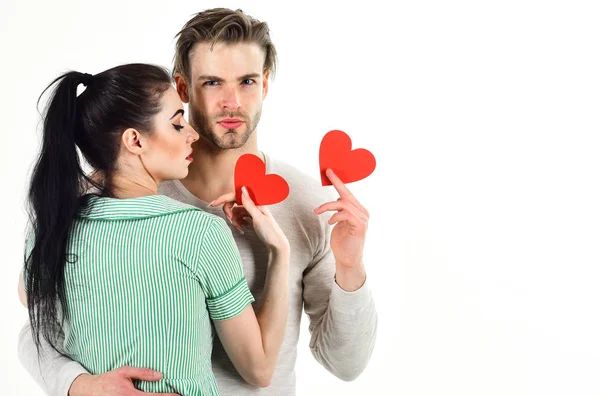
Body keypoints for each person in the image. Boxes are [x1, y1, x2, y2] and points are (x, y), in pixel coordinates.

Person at [18, 8, 378, 396]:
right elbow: (37, 328)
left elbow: (346, 366)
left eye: (247, 81)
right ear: (184, 88)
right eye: (212, 83)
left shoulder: (310, 204)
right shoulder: (103, 196)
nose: (231, 101)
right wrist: (80, 385)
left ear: (266, 85)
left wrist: (350, 266)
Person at [17, 63, 291, 395]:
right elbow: (259, 370)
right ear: (134, 140)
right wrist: (280, 252)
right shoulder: (200, 233)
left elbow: (31, 316)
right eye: (178, 124)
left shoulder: (53, 232)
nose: (193, 134)